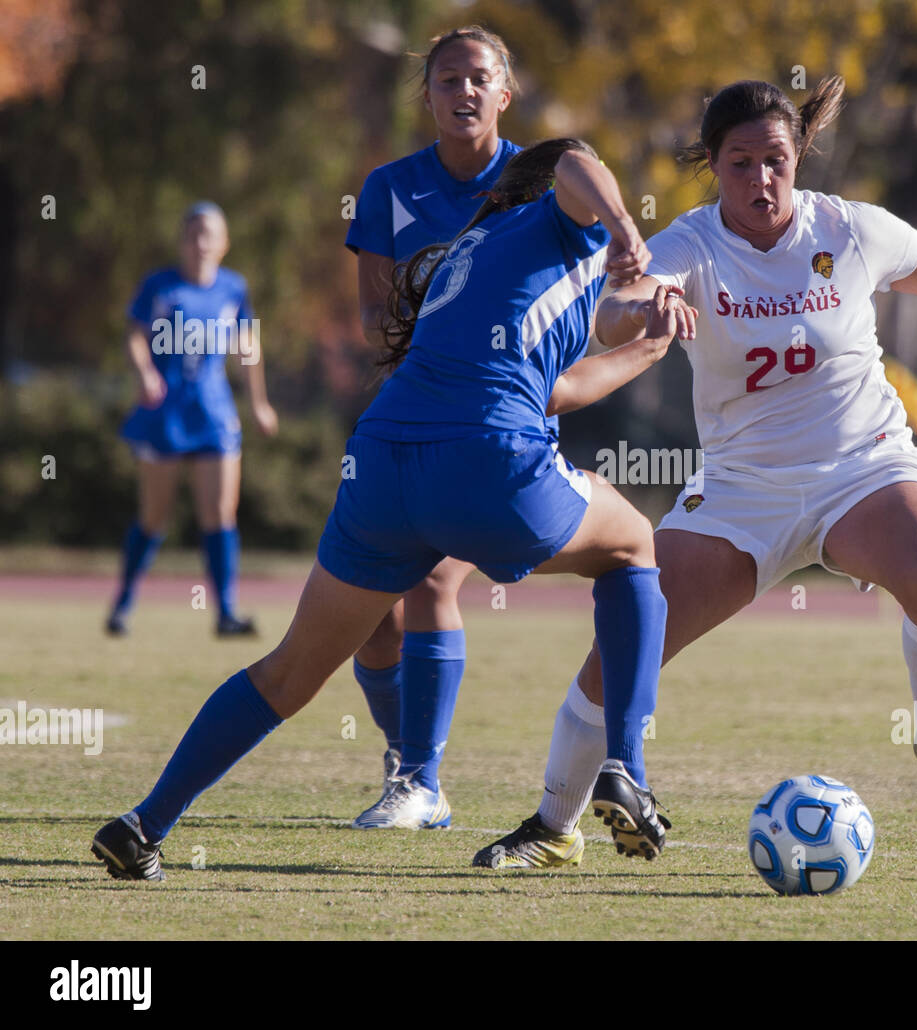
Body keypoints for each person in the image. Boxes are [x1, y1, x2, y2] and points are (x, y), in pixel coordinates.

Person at [476, 77, 917, 868]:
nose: (761, 179)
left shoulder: (850, 230)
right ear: (712, 167)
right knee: (625, 648)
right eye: (740, 164)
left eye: (776, 160)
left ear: (799, 158)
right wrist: (644, 311)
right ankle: (553, 830)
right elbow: (616, 306)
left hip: (863, 466)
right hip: (739, 490)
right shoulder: (691, 244)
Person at [90, 138, 696, 881]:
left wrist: (645, 345)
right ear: (548, 196)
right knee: (633, 542)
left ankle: (143, 825)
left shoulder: (476, 253)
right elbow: (574, 160)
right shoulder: (564, 220)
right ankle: (624, 768)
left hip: (381, 465)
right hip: (485, 463)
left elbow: (560, 380)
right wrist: (627, 230)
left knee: (287, 673)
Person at [342, 27, 535, 830]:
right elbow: (369, 316)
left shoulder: (539, 187)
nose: (462, 91)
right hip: (402, 424)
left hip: (493, 423)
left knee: (430, 582)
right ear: (425, 96)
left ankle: (420, 780)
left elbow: (568, 301)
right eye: (446, 78)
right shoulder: (389, 186)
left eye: (477, 78)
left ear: (504, 93)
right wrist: (414, 347)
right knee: (369, 620)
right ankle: (404, 755)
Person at [107, 202, 278, 638]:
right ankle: (123, 604)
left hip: (214, 413)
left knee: (220, 514)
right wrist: (144, 373)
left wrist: (258, 402)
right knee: (154, 517)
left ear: (224, 244)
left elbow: (248, 346)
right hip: (164, 414)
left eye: (210, 235)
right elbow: (134, 335)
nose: (201, 243)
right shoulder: (160, 287)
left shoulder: (234, 289)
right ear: (182, 241)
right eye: (193, 234)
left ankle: (225, 613)